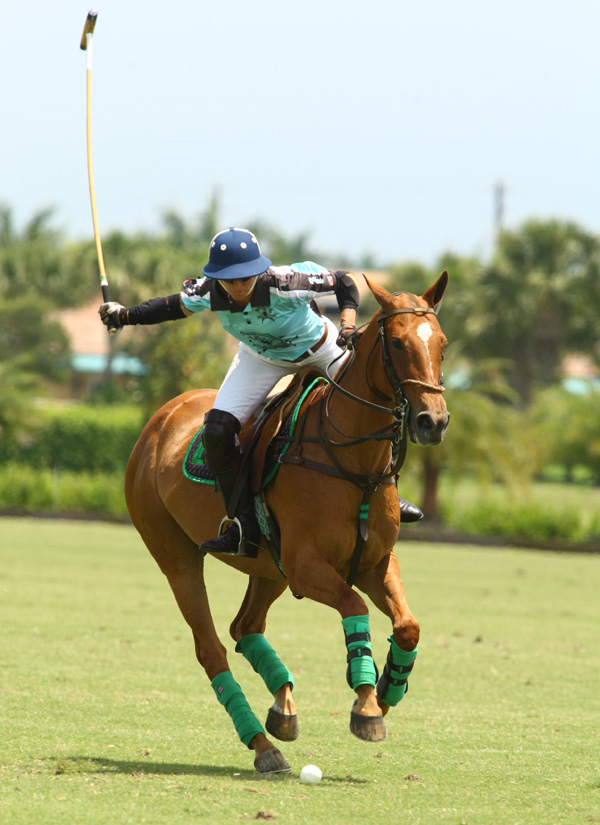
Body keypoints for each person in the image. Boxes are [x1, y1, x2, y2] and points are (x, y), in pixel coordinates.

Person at [99, 226, 422, 555]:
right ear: (216, 277)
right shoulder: (208, 291)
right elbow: (170, 307)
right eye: (230, 279)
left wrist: (348, 324)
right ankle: (241, 524)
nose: (238, 286)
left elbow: (343, 280)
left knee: (374, 408)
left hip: (321, 350)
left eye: (246, 278)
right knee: (216, 431)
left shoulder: (287, 281)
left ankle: (390, 493)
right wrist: (124, 315)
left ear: (259, 270)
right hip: (260, 359)